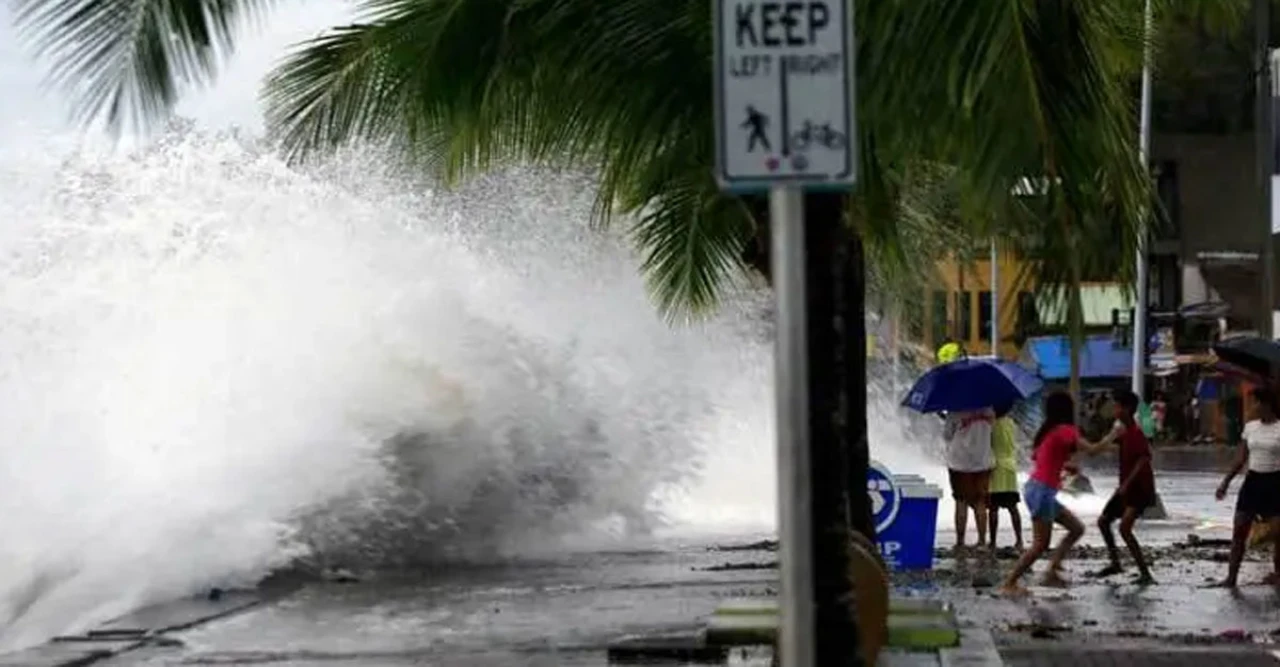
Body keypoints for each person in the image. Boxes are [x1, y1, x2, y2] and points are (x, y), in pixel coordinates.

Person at [999, 392, 1111, 595]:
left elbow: (1039, 458)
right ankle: (1009, 583)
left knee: (1076, 528)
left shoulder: (1048, 431)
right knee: (1040, 544)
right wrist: (1115, 435)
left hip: (1038, 489)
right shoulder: (1067, 431)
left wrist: (1065, 465)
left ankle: (1052, 569)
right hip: (1042, 491)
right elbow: (1093, 450)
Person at [1211, 386, 1280, 588]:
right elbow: (1241, 459)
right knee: (1239, 530)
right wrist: (1225, 482)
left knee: (1278, 533)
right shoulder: (1250, 428)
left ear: (1266, 404)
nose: (1253, 407)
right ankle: (1231, 577)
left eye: (1256, 402)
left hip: (1276, 482)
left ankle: (1277, 574)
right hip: (1253, 482)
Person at [1090, 389, 1156, 584]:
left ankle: (1145, 573)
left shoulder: (1137, 432)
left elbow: (1144, 459)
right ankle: (1115, 563)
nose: (1115, 410)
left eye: (1118, 406)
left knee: (1125, 528)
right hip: (1125, 486)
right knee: (1103, 521)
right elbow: (1107, 446)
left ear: (1127, 409)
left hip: (1139, 488)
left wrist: (1126, 484)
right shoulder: (1123, 431)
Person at [944, 408, 995, 552]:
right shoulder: (989, 409)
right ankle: (982, 542)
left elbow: (947, 435)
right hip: (983, 461)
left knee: (961, 501)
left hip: (959, 463)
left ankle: (960, 542)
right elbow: (991, 430)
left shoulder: (955, 410)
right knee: (980, 502)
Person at [987, 405, 1023, 552]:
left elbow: (988, 444)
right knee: (1013, 507)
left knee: (993, 508)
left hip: (996, 467)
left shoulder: (992, 425)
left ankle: (993, 542)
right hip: (1010, 468)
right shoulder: (1011, 423)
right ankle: (1019, 540)